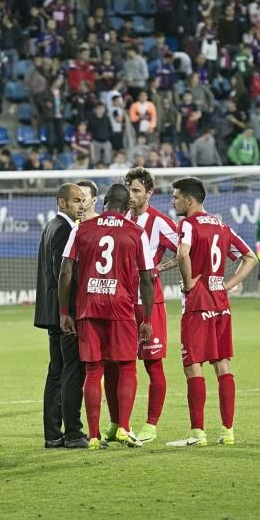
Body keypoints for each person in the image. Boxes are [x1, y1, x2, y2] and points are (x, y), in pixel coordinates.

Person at [57, 184, 155, 450]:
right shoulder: (136, 232)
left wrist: (64, 311)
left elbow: (66, 271)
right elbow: (147, 278)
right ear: (127, 208)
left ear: (104, 204)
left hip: (89, 307)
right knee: (126, 368)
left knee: (93, 370)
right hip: (121, 308)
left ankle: (93, 436)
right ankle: (123, 427)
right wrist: (147, 317)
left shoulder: (81, 228)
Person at [167, 177, 258, 447]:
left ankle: (197, 433)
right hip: (220, 303)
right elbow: (251, 257)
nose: (173, 201)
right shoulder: (222, 225)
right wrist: (228, 284)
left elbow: (183, 254)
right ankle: (228, 431)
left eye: (176, 197)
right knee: (222, 364)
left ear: (189, 200)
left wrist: (187, 283)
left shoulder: (188, 224)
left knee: (192, 365)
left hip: (197, 304)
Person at [105, 167, 180, 445]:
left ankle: (151, 424)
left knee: (152, 365)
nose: (132, 195)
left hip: (149, 303)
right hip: (120, 304)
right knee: (114, 366)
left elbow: (185, 250)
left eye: (137, 190)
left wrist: (161, 267)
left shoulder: (159, 222)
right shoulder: (117, 220)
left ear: (149, 193)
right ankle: (116, 423)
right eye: (129, 190)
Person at [33, 184, 88, 449]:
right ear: (62, 203)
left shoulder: (50, 226)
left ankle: (52, 433)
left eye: (82, 200)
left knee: (56, 372)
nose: (81, 205)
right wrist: (69, 310)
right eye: (76, 200)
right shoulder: (65, 229)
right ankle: (73, 432)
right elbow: (61, 274)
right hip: (63, 314)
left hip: (52, 312)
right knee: (71, 372)